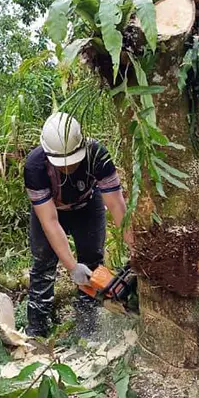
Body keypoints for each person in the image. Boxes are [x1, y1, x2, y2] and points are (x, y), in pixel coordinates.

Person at [23, 112, 131, 339]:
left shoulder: (97, 155)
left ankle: (88, 329)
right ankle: (37, 332)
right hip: (51, 210)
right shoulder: (35, 167)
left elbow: (117, 206)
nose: (68, 168)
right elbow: (50, 222)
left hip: (87, 205)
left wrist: (134, 248)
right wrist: (72, 267)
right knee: (43, 263)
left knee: (92, 260)